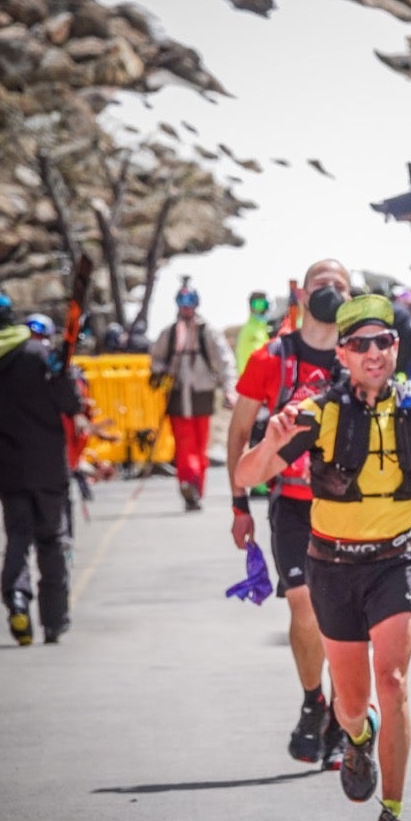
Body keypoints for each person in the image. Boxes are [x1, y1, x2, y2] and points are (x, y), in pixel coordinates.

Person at [235, 294, 411, 821]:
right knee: (353, 704)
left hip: (395, 562)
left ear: (396, 347)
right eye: (360, 344)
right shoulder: (319, 414)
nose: (373, 352)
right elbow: (247, 474)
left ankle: (393, 816)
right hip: (332, 566)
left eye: (383, 341)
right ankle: (358, 737)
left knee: (395, 682)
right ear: (343, 353)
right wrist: (273, 439)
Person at [228, 260, 352, 769]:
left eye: (339, 285)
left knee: (343, 619)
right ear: (301, 292)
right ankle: (313, 701)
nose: (330, 292)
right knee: (304, 606)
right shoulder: (271, 358)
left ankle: (344, 720)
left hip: (348, 506)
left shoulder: (361, 356)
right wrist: (239, 505)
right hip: (292, 503)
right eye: (321, 284)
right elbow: (238, 432)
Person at [0, 288, 82, 645]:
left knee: (17, 536)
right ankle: (54, 620)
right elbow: (67, 401)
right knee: (52, 539)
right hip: (48, 461)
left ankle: (17, 599)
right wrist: (63, 372)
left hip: (6, 462)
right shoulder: (38, 352)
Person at [149, 281, 237, 511]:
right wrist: (160, 372)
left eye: (190, 302)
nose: (186, 307)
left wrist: (230, 389)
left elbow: (224, 361)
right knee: (185, 446)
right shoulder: (169, 334)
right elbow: (156, 358)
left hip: (202, 396)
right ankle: (188, 485)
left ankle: (196, 488)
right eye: (182, 302)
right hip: (177, 397)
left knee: (199, 448)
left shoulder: (207, 332)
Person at [236, 291, 272, 372]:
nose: (262, 310)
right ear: (251, 307)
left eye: (264, 304)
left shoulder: (264, 330)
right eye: (258, 305)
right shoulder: (249, 331)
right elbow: (259, 358)